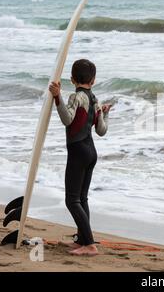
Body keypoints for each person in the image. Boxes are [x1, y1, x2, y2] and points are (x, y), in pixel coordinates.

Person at [49, 59, 111, 256]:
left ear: (72, 79)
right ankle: (82, 240)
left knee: (72, 200)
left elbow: (67, 119)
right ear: (93, 81)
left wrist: (57, 98)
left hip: (78, 152)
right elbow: (101, 130)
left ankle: (90, 244)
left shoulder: (76, 97)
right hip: (91, 152)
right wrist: (106, 114)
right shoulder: (95, 100)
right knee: (82, 198)